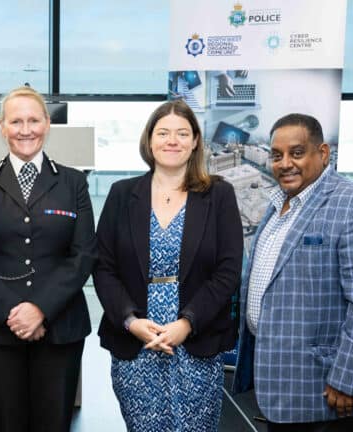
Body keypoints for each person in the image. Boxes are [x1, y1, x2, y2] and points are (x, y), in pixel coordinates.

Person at [233, 113, 353, 431]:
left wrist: (348, 378)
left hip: (324, 387)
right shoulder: (277, 206)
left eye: (297, 153)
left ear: (322, 153)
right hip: (279, 380)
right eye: (276, 155)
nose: (285, 164)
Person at [94, 99, 243, 431]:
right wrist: (130, 321)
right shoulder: (122, 194)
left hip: (195, 338)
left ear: (194, 142)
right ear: (149, 141)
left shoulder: (219, 195)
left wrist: (186, 324)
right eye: (163, 133)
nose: (172, 140)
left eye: (182, 133)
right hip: (137, 341)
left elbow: (228, 270)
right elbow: (103, 266)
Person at [0, 86, 97, 431]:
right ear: (2, 128)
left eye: (34, 120)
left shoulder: (74, 182)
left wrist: (40, 309)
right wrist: (13, 313)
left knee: (54, 423)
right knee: (5, 423)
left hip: (59, 328)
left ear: (47, 124)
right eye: (16, 121)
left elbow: (83, 255)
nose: (25, 129)